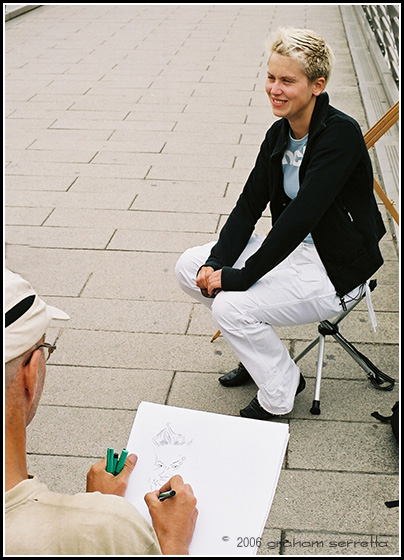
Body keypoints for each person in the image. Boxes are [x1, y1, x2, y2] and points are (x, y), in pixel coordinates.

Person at [175, 27, 386, 421]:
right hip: (292, 253)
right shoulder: (280, 134)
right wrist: (217, 262)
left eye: (288, 80)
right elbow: (247, 206)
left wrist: (237, 277)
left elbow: (300, 217)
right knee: (189, 267)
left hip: (334, 267)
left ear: (317, 85)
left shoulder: (339, 134)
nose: (275, 88)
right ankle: (267, 364)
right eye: (271, 77)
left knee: (231, 307)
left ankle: (280, 393)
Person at [4, 267, 198, 555]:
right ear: (30, 373)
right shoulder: (112, 528)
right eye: (46, 347)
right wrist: (173, 541)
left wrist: (92, 512)